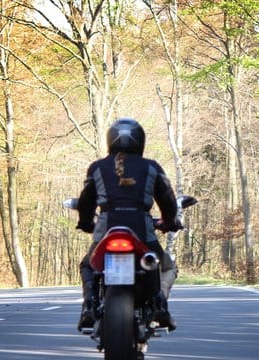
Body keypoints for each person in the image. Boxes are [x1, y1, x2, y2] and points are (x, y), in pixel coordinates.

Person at [75, 118, 181, 332]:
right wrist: (170, 222)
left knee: (88, 264)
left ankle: (89, 306)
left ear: (110, 141)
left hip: (106, 231)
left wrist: (86, 223)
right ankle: (160, 303)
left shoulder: (97, 167)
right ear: (140, 141)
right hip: (142, 231)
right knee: (167, 266)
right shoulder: (152, 167)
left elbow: (86, 201)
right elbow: (168, 200)